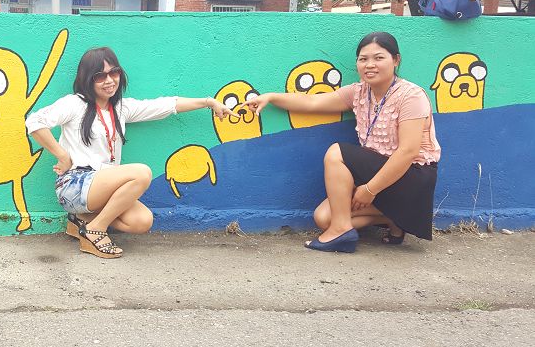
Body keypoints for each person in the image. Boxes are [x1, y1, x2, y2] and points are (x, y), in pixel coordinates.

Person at [241, 32, 440, 253]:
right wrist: (270, 97)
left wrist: (370, 190)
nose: (369, 65)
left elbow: (408, 151)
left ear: (396, 60)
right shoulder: (359, 92)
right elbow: (312, 102)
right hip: (377, 173)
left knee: (337, 153)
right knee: (324, 218)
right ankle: (394, 219)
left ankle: (342, 231)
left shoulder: (411, 96)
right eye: (363, 59)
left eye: (378, 58)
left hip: (410, 176)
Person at [25, 47, 233, 259]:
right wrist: (62, 155)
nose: (109, 80)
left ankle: (81, 220)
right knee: (141, 173)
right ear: (88, 79)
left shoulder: (120, 109)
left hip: (103, 186)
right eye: (100, 76)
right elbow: (34, 122)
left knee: (142, 221)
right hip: (74, 185)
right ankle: (95, 229)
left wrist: (208, 102)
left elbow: (166, 105)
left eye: (114, 73)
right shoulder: (75, 103)